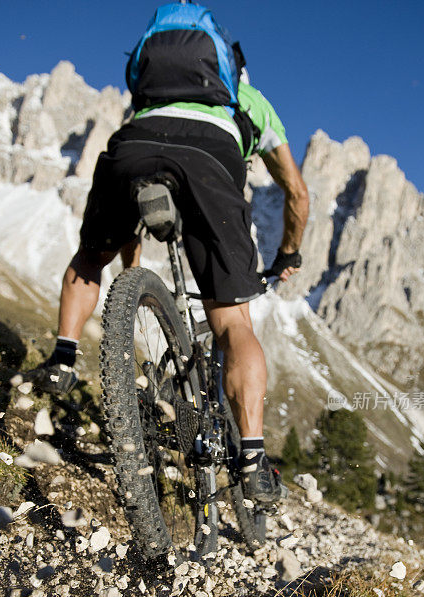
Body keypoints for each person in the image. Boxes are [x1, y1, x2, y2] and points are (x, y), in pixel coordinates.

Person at [30, 2, 309, 504]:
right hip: (209, 163)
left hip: (134, 145)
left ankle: (62, 359)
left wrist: (132, 283)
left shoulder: (153, 93)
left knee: (91, 254)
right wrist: (288, 253)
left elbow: (140, 179)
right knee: (233, 324)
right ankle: (251, 458)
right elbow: (297, 192)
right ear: (225, 65)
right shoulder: (250, 101)